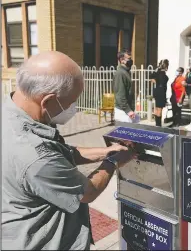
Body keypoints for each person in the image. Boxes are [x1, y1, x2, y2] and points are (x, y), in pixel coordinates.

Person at [2, 51, 137, 250]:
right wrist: (114, 162)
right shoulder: (34, 154)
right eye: (71, 102)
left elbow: (61, 153)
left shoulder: (10, 109)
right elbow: (87, 192)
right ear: (47, 101)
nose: (73, 107)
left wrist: (106, 151)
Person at [113, 50, 135, 123]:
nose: (131, 61)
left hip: (126, 111)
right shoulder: (120, 73)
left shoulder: (126, 72)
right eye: (128, 59)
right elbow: (119, 95)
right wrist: (128, 110)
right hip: (122, 112)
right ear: (122, 60)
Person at [151, 59, 169, 127]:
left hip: (156, 91)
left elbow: (152, 77)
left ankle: (157, 125)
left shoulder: (157, 72)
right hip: (161, 92)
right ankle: (158, 125)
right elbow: (163, 83)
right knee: (159, 109)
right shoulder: (162, 74)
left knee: (156, 108)